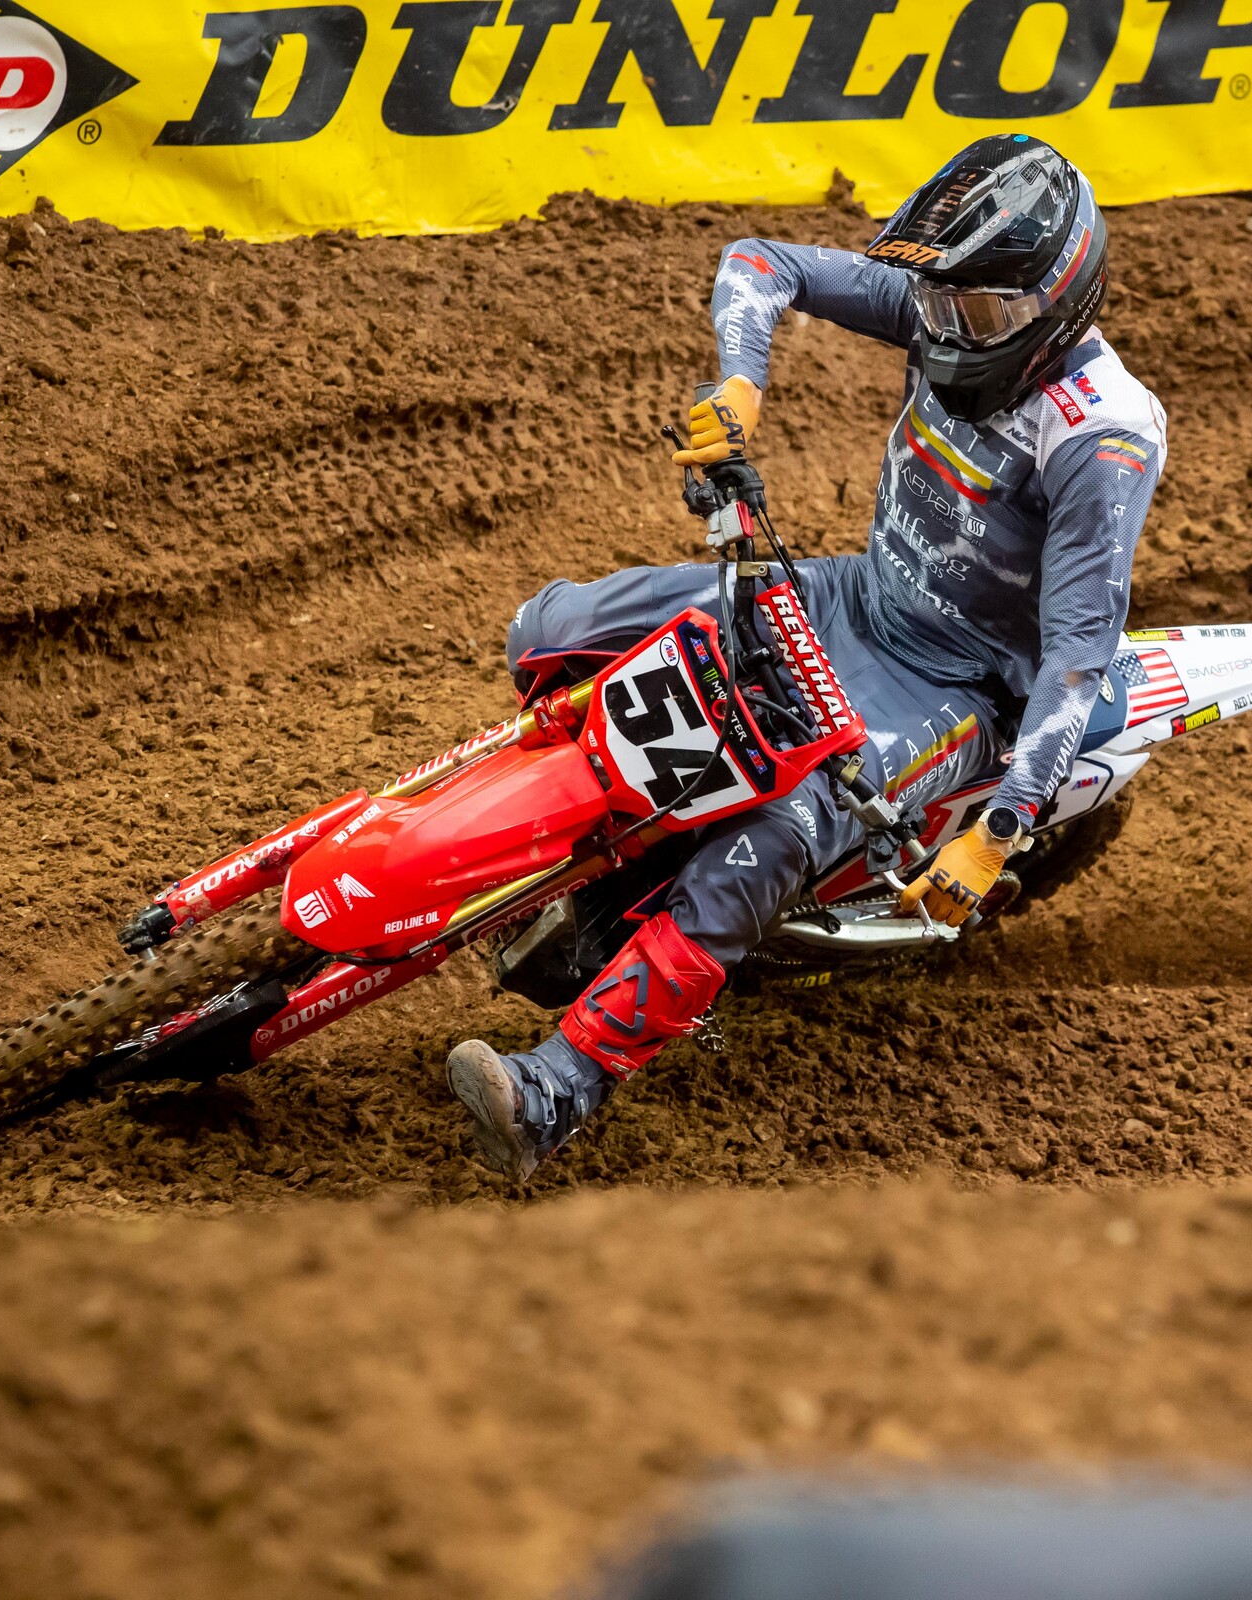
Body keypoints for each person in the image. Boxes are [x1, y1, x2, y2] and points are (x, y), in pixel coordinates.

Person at [445, 135, 1168, 1180]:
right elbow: (759, 261)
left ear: (1059, 304)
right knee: (552, 629)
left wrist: (997, 834)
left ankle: (558, 1090)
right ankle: (586, 848)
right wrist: (740, 386)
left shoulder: (1102, 440)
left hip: (955, 685)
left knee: (774, 838)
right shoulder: (949, 303)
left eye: (984, 318)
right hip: (850, 593)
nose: (953, 332)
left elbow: (1077, 658)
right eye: (945, 307)